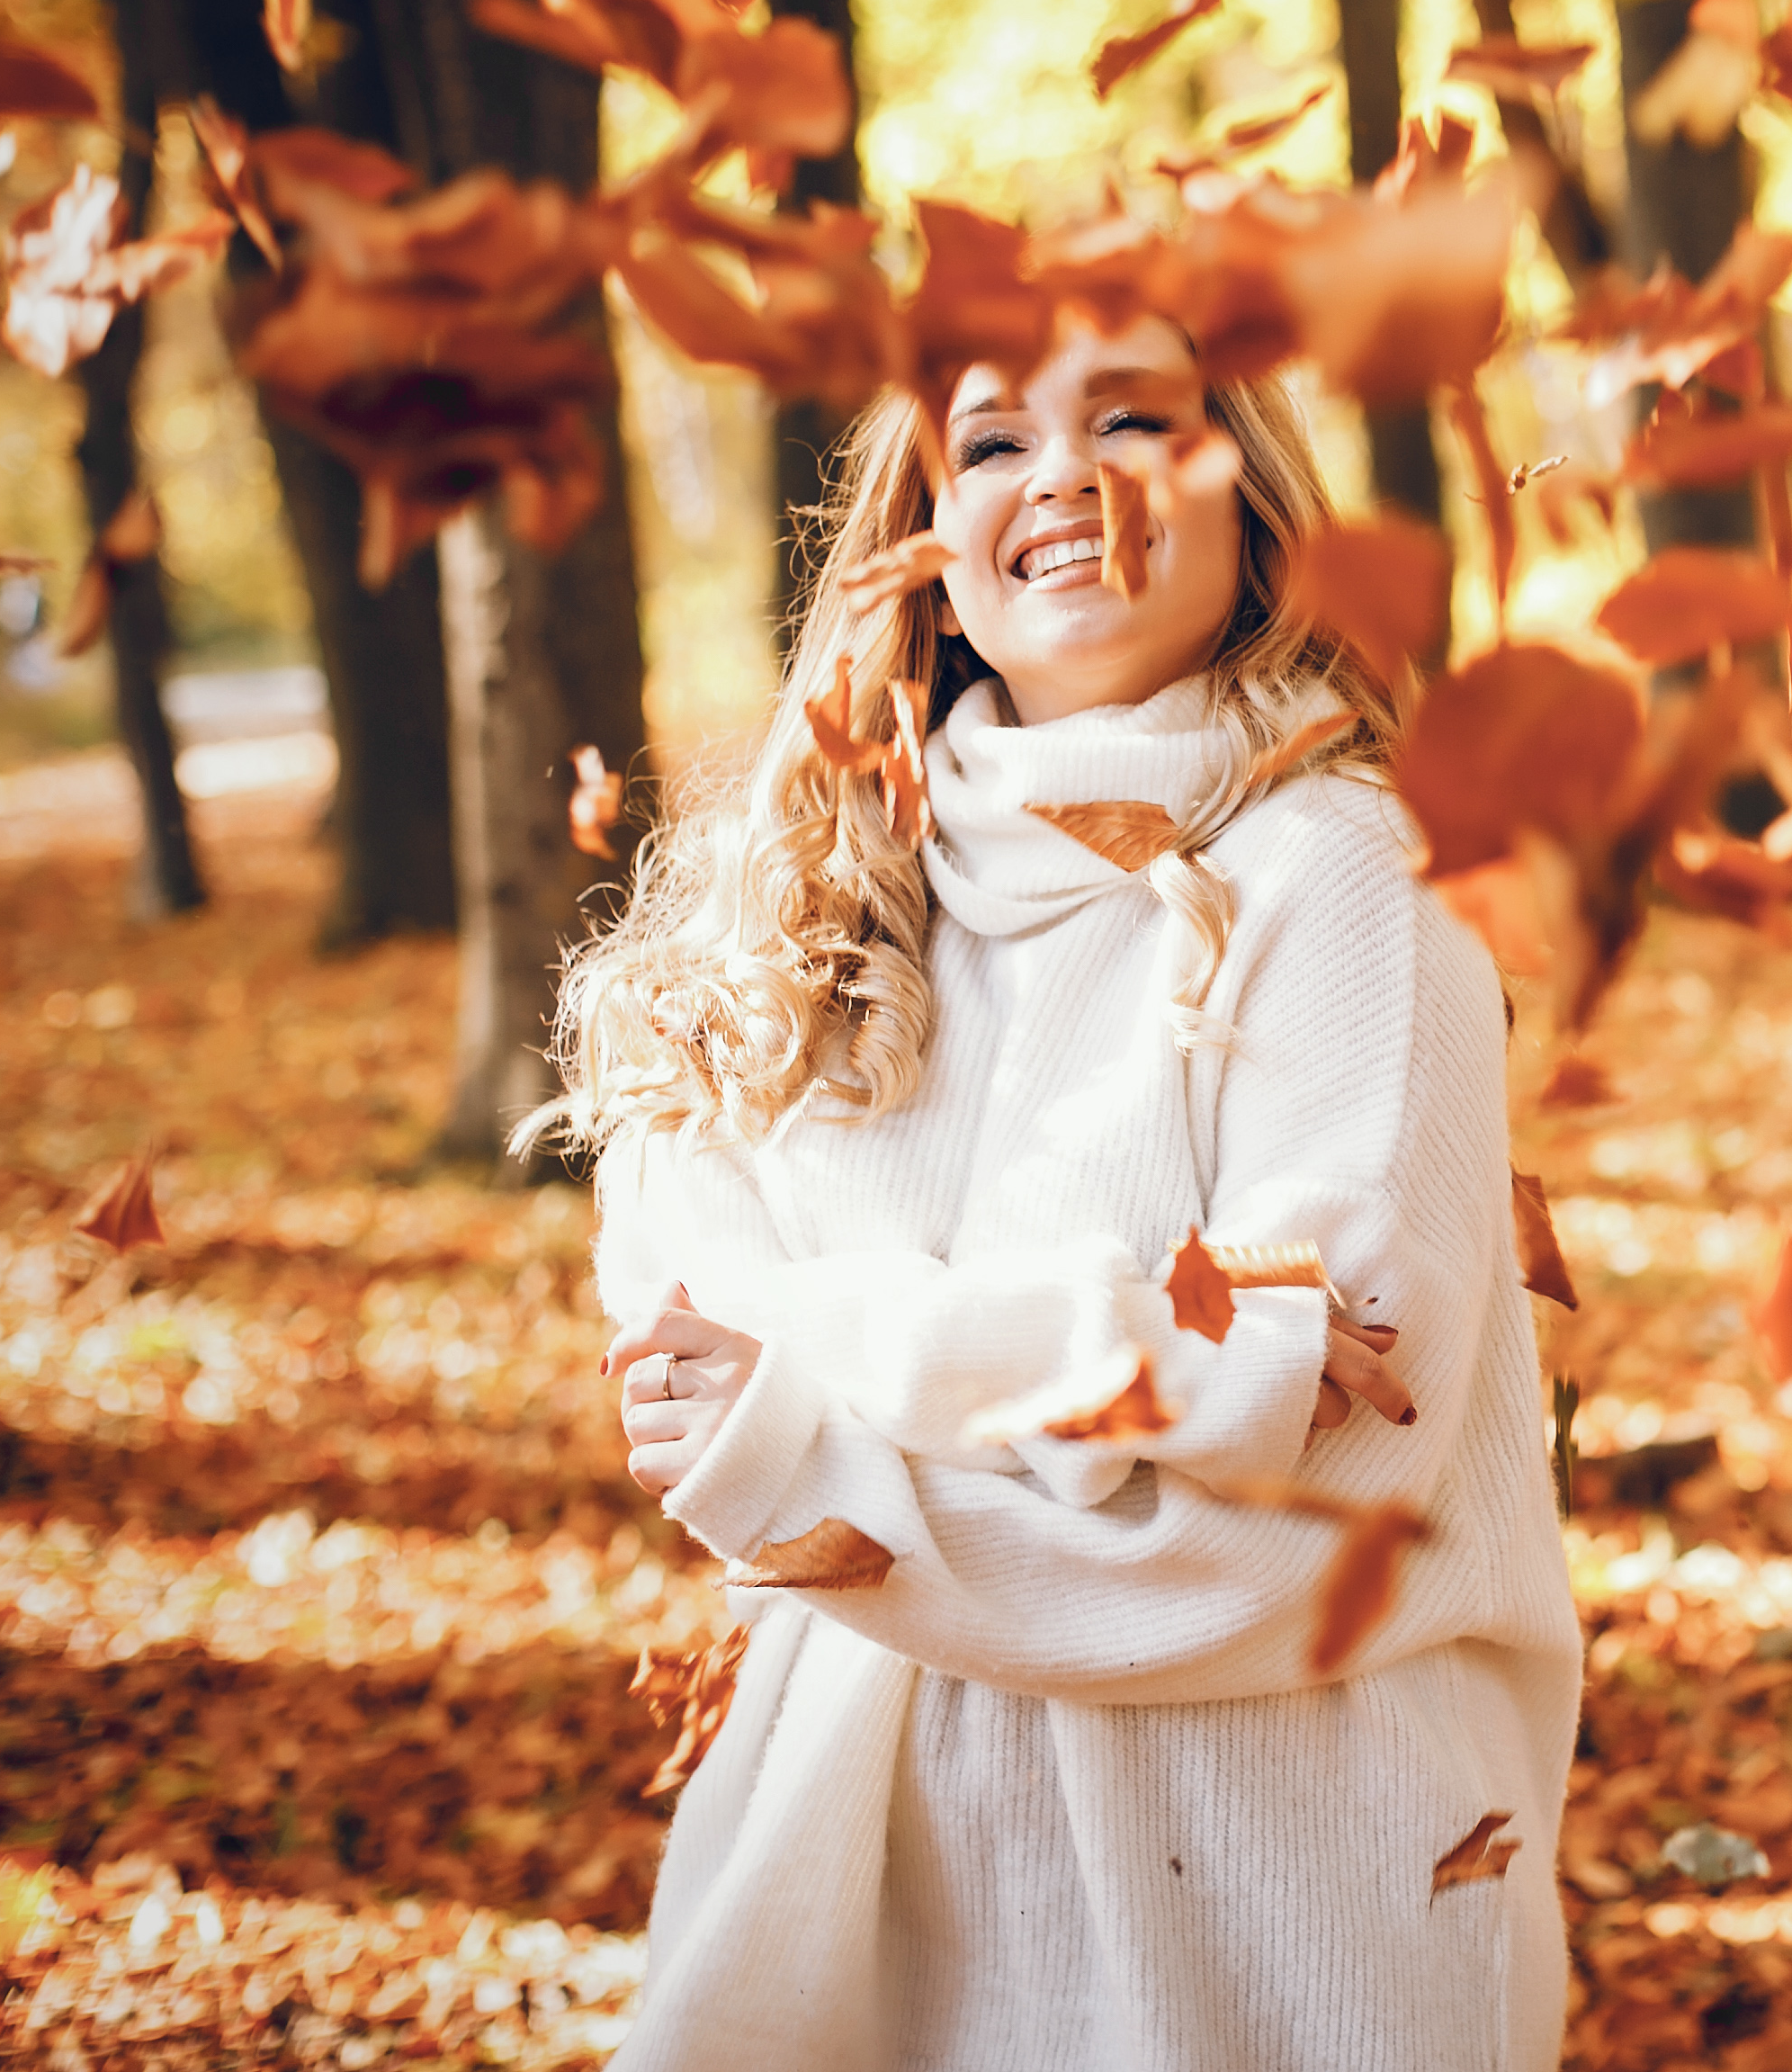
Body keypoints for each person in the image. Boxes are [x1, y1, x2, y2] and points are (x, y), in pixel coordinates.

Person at [529, 315, 1580, 2072]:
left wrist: (824, 1429)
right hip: (857, 1891)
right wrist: (1155, 1370)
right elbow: (682, 1349)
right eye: (997, 440)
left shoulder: (1356, 877)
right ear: (924, 540)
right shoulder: (794, 905)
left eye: (1136, 421)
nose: (1064, 476)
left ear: (1247, 493)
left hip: (1287, 1892)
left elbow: (1320, 1469)